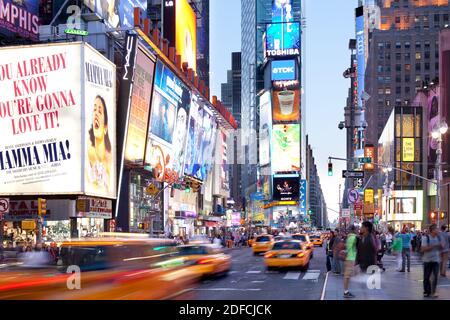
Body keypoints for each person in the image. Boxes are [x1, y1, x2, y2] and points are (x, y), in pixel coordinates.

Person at [87, 95, 112, 194]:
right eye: (94, 110)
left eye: (100, 111)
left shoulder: (109, 162)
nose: (96, 113)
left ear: (105, 128)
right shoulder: (88, 152)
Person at [421, 224, 443, 298]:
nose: (438, 230)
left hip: (436, 260)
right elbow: (423, 249)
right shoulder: (426, 238)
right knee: (426, 277)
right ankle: (427, 291)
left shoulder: (439, 237)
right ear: (433, 230)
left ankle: (433, 292)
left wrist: (441, 246)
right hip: (427, 260)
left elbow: (442, 246)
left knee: (436, 276)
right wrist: (435, 246)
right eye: (437, 229)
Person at [343, 226, 358, 298]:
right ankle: (346, 292)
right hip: (351, 258)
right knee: (347, 276)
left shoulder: (349, 238)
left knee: (347, 276)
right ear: (354, 230)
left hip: (349, 258)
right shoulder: (354, 238)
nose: (358, 230)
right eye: (356, 229)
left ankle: (346, 291)